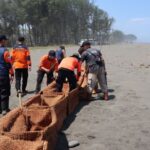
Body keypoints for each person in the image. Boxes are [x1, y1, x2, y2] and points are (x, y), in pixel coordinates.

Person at [0, 35, 14, 115]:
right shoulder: (5, 51)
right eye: (5, 40)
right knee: (4, 91)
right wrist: (12, 73)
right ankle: (5, 109)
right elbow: (9, 63)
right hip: (3, 74)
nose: (6, 41)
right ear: (2, 41)